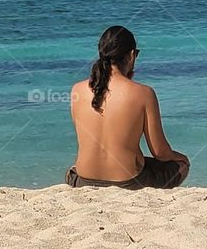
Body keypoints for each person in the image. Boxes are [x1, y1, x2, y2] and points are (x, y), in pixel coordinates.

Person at [66, 25, 190, 189]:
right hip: (128, 183)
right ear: (131, 55)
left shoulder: (77, 90)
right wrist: (181, 157)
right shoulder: (144, 93)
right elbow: (160, 152)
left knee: (72, 169)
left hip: (82, 181)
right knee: (181, 165)